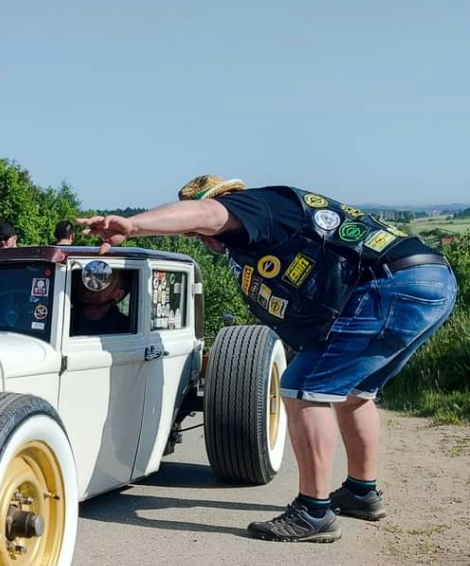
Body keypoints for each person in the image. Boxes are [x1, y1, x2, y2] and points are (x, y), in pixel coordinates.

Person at [78, 175, 456, 543]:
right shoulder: (268, 226)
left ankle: (313, 512)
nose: (197, 235)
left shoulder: (251, 206)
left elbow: (207, 214)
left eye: (196, 229)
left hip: (391, 285)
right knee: (356, 393)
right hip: (428, 280)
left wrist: (132, 225)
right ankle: (361, 493)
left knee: (302, 388)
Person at [71, 270, 133, 335]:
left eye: (103, 279)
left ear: (118, 294)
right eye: (87, 276)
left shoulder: (125, 329)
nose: (89, 282)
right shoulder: (64, 316)